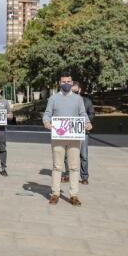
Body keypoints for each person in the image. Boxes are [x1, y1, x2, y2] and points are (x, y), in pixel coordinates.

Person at [43, 71, 93, 206]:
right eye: (63, 82)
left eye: (68, 82)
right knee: (57, 166)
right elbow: (47, 114)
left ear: (72, 83)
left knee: (74, 166)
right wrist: (46, 122)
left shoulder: (78, 99)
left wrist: (87, 123)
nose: (66, 84)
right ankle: (55, 193)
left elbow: (83, 113)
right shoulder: (53, 99)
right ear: (60, 83)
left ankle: (74, 195)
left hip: (74, 137)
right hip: (58, 137)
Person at [62, 81, 95, 185]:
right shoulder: (66, 101)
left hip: (83, 131)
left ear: (80, 90)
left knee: (83, 155)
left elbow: (91, 114)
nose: (74, 92)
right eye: (72, 91)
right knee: (67, 155)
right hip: (69, 131)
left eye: (76, 90)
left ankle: (84, 176)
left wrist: (85, 122)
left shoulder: (87, 101)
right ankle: (67, 175)